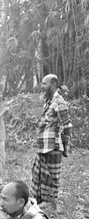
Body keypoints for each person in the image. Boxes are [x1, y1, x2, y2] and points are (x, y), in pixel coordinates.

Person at [30, 74, 73, 211]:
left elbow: (67, 126)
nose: (41, 86)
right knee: (39, 174)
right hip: (43, 146)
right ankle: (39, 200)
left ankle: (51, 203)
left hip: (53, 146)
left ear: (53, 85)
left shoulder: (59, 102)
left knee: (52, 176)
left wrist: (66, 146)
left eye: (44, 84)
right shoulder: (48, 101)